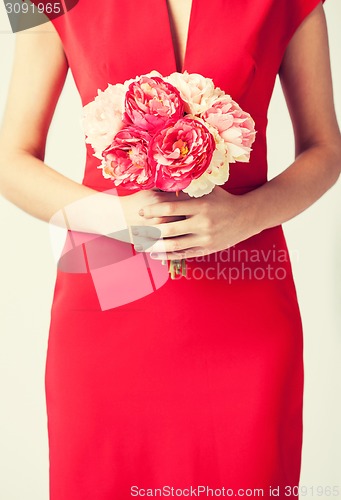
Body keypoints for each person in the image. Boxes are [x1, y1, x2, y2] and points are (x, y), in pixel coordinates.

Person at [0, 0, 340, 498]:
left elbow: (326, 148)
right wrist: (114, 217)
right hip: (106, 300)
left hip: (245, 307)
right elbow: (11, 158)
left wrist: (248, 215)